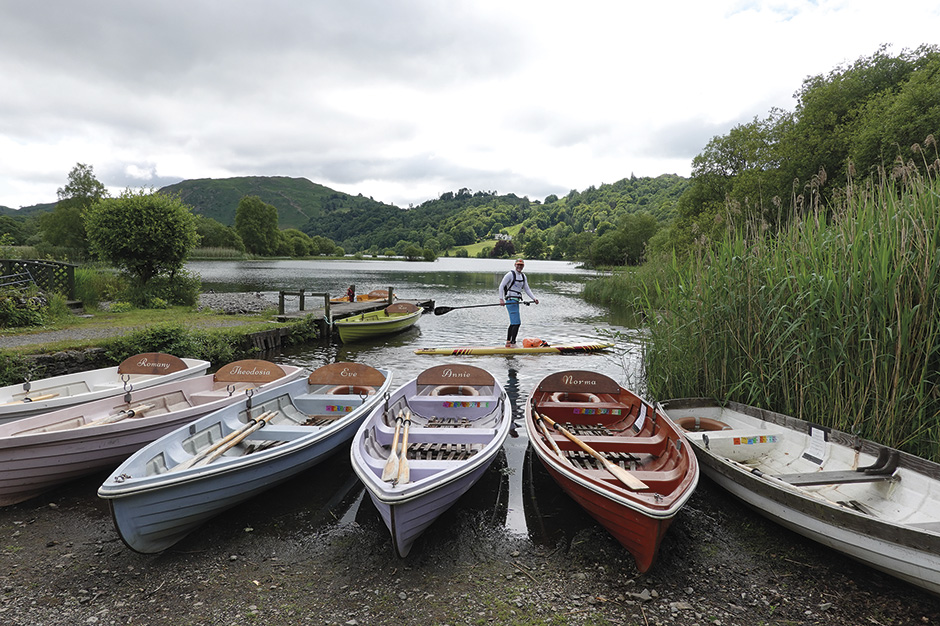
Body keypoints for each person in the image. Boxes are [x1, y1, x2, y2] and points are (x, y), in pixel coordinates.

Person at [498, 259, 539, 348]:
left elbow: (527, 289)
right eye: (518, 265)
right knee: (517, 323)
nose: (519, 266)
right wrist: (501, 299)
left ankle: (508, 342)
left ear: (523, 266)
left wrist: (534, 298)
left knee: (514, 322)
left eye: (521, 265)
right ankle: (513, 343)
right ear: (515, 265)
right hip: (510, 301)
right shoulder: (510, 274)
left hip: (516, 301)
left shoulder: (523, 276)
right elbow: (501, 286)